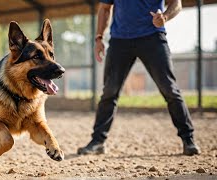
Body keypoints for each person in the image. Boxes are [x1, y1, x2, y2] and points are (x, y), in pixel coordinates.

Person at [77, 0, 200, 156]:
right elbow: (105, 8)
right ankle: (97, 142)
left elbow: (177, 3)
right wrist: (99, 38)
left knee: (169, 89)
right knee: (109, 92)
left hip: (153, 37)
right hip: (119, 40)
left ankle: (188, 140)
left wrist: (166, 17)